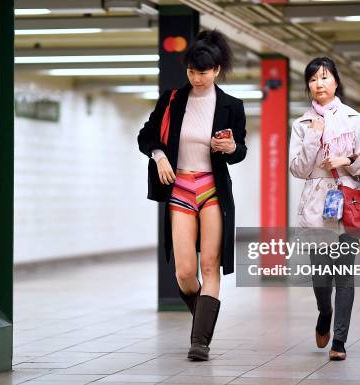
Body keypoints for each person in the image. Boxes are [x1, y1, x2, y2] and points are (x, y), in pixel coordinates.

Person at [137, 29, 247, 361]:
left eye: (202, 71)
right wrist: (159, 156)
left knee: (210, 264)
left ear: (216, 70)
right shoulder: (171, 99)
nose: (195, 77)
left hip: (212, 189)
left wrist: (230, 148)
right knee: (184, 271)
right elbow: (146, 136)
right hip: (180, 187)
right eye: (191, 71)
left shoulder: (231, 105)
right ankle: (204, 316)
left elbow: (239, 149)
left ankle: (200, 341)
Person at [289, 57, 360, 361]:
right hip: (316, 207)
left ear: (336, 81)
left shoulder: (355, 120)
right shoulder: (301, 124)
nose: (319, 84)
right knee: (321, 277)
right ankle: (324, 313)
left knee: (344, 275)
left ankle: (339, 341)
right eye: (313, 79)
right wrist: (314, 134)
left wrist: (346, 162)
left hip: (348, 202)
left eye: (324, 78)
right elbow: (297, 169)